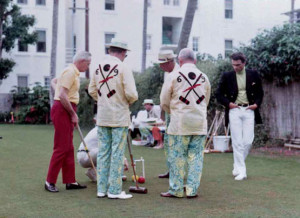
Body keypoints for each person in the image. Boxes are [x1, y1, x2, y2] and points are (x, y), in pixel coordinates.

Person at [89, 38, 138, 199]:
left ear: (110, 51)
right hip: (119, 116)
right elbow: (132, 94)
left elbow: (92, 90)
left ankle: (101, 189)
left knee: (103, 152)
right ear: (123, 53)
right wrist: (125, 102)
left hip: (102, 117)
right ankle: (115, 190)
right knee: (117, 152)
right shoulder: (123, 67)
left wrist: (103, 101)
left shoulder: (97, 67)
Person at [160, 48, 211, 198]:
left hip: (180, 124)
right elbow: (206, 101)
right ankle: (191, 190)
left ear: (180, 61)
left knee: (178, 156)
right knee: (196, 158)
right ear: (195, 61)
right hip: (199, 124)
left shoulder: (173, 76)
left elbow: (164, 101)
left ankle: (176, 189)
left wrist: (173, 111)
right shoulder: (204, 77)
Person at [45, 51, 91, 192]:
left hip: (66, 107)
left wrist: (71, 111)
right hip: (63, 109)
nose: (88, 67)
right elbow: (62, 95)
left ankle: (70, 181)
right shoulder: (70, 72)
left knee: (69, 148)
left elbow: (54, 83)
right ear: (82, 61)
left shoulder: (72, 72)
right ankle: (49, 181)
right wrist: (72, 114)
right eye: (88, 64)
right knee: (61, 147)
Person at [216, 52, 263, 181]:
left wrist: (256, 105)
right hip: (234, 110)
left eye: (238, 65)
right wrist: (229, 104)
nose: (235, 67)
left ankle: (237, 165)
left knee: (248, 141)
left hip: (249, 109)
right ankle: (242, 172)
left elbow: (260, 92)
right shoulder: (227, 76)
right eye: (233, 65)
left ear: (244, 63)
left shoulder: (253, 74)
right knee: (237, 142)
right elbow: (218, 93)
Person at [157, 50, 179, 179]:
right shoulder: (167, 73)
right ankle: (170, 169)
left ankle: (177, 170)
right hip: (169, 111)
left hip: (177, 112)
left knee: (176, 141)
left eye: (163, 63)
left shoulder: (178, 72)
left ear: (170, 62)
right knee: (168, 140)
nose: (161, 66)